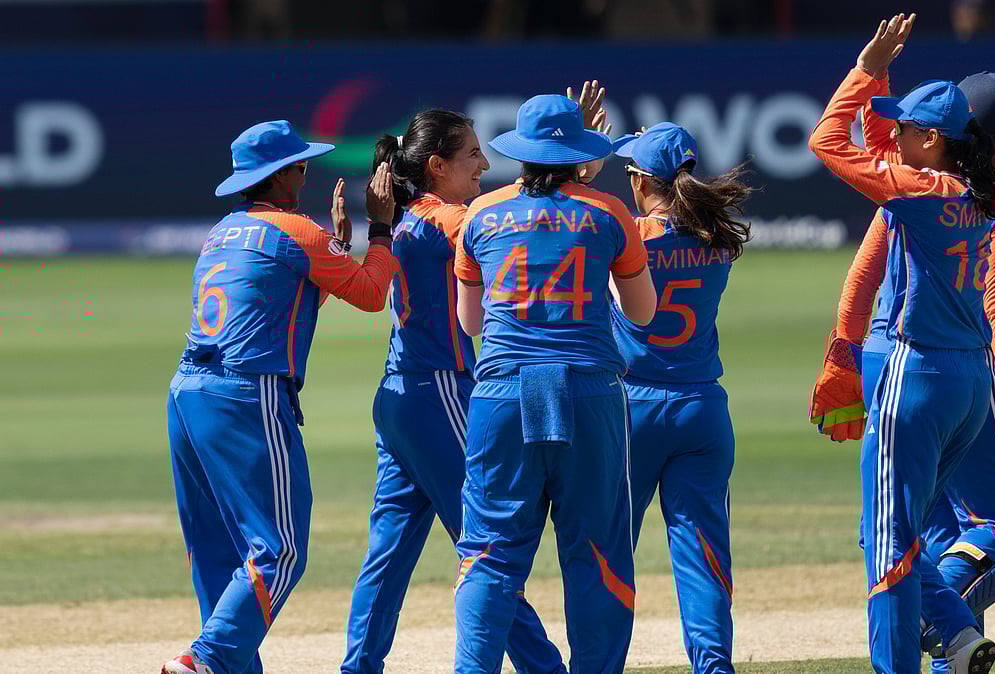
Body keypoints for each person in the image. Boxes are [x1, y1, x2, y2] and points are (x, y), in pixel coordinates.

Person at [812, 67, 995, 672]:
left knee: (896, 530)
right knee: (983, 526)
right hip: (955, 368)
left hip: (899, 365)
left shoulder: (911, 188)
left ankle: (941, 634)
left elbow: (861, 276)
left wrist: (844, 353)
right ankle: (949, 635)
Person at [163, 120, 400, 674]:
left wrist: (337, 246)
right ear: (282, 175)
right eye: (300, 165)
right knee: (280, 551)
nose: (307, 171)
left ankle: (226, 664)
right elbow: (370, 294)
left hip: (187, 394)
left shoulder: (222, 231)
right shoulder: (297, 231)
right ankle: (207, 659)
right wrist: (381, 230)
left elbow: (277, 305)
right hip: (248, 393)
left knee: (220, 552)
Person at [807, 14, 995, 674]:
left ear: (931, 139)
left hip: (913, 379)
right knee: (890, 531)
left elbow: (828, 143)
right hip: (970, 389)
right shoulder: (978, 196)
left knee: (888, 544)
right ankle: (953, 628)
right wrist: (882, 76)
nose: (890, 133)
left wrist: (862, 71)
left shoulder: (918, 194)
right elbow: (877, 147)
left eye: (903, 127)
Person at [341, 111, 568, 674]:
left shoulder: (410, 216)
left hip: (400, 393)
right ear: (437, 166)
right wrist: (562, 168)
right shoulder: (449, 218)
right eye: (472, 154)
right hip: (440, 391)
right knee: (487, 549)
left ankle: (358, 667)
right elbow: (523, 223)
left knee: (388, 555)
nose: (485, 164)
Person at [452, 93, 657, 674]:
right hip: (587, 392)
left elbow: (471, 323)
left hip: (502, 392)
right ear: (580, 154)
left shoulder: (481, 214)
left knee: (490, 555)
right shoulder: (608, 211)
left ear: (520, 152)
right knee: (596, 553)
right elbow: (641, 313)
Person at [608, 122, 752, 674]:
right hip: (702, 410)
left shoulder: (629, 234)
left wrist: (580, 154)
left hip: (633, 409)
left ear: (644, 181)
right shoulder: (716, 238)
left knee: (610, 550)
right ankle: (714, 667)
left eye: (630, 174)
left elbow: (582, 217)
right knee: (703, 557)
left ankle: (601, 664)